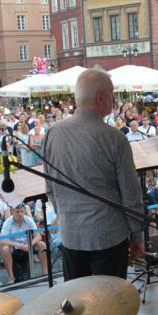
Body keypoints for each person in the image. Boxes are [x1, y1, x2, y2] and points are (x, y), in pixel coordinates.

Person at [43, 69, 144, 280]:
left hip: (71, 236)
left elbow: (50, 189)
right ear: (100, 98)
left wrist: (68, 217)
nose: (114, 100)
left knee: (78, 307)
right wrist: (137, 234)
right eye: (112, 94)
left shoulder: (52, 133)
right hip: (108, 237)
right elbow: (130, 195)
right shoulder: (114, 138)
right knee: (110, 304)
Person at [0, 204, 48, 283]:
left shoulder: (29, 220)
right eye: (17, 212)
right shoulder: (8, 222)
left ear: (24, 211)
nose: (20, 214)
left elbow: (38, 236)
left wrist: (29, 245)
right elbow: (3, 240)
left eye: (22, 211)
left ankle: (45, 273)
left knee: (42, 245)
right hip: (14, 247)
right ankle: (11, 277)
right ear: (12, 212)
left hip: (28, 245)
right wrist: (17, 244)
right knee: (5, 249)